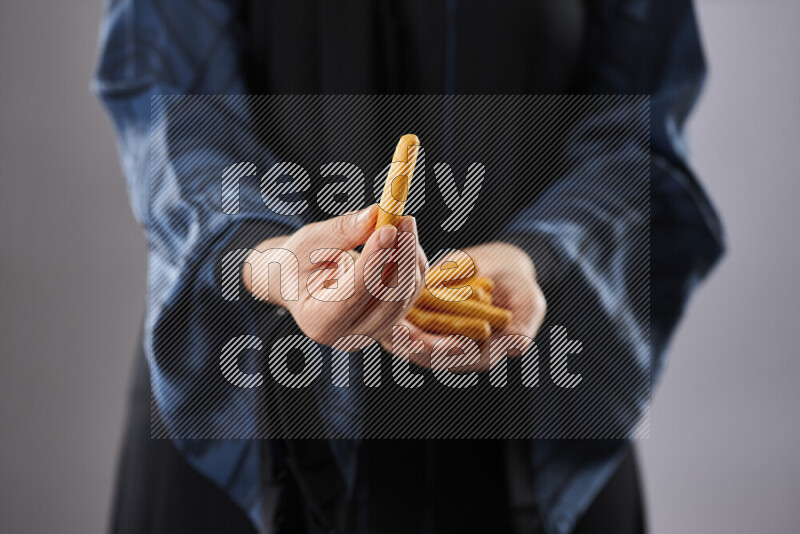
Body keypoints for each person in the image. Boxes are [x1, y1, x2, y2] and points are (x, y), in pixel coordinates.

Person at [94, 1, 724, 533]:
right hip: (246, 423)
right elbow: (164, 95)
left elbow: (639, 124)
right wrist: (265, 257)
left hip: (526, 426)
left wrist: (536, 255)